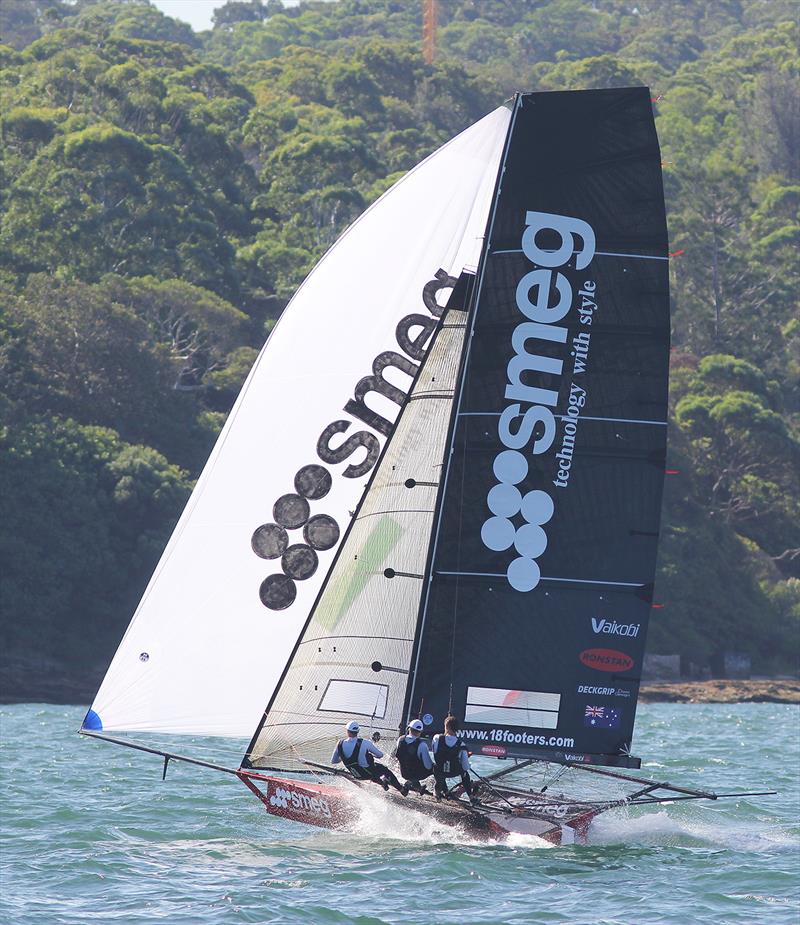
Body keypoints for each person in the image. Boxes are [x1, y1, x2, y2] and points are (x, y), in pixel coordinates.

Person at [331, 720, 403, 793]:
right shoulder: (365, 743)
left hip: (356, 774)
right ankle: (401, 789)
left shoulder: (339, 744)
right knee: (382, 769)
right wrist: (373, 755)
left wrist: (344, 758)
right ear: (358, 731)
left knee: (370, 772)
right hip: (368, 773)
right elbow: (380, 755)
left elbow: (334, 761)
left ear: (347, 731)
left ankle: (382, 782)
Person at [432, 715, 473, 802]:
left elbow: (435, 752)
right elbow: (465, 766)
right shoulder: (461, 744)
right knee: (465, 773)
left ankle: (438, 792)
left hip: (440, 771)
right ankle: (471, 797)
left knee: (438, 768)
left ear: (446, 726)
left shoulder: (436, 738)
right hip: (453, 772)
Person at [394, 719, 434, 796]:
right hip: (417, 775)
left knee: (411, 769)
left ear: (409, 729)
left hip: (404, 773)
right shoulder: (422, 745)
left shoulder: (400, 740)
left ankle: (414, 785)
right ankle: (439, 791)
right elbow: (428, 766)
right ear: (420, 732)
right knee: (436, 769)